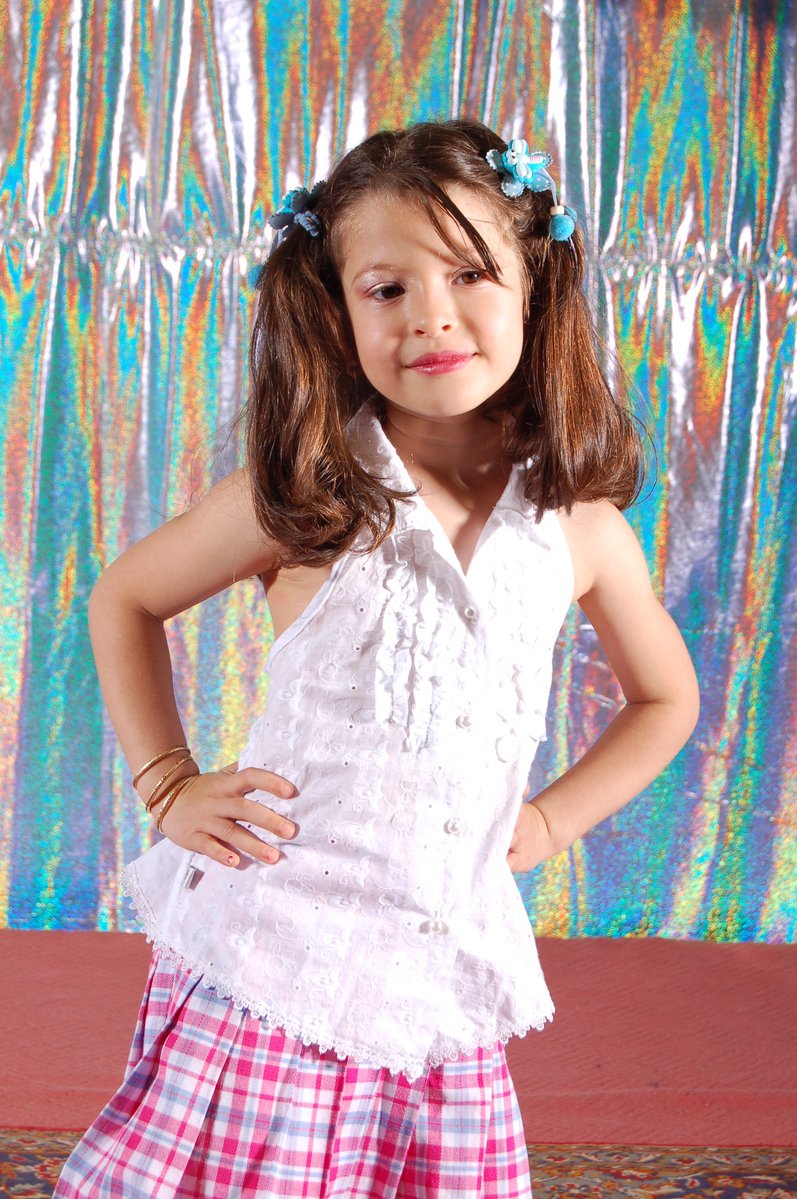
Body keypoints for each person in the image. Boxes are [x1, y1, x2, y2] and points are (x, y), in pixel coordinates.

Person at [54, 120, 699, 1198]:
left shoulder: (577, 524)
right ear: (336, 307)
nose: (431, 315)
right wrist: (168, 783)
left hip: (439, 974)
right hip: (276, 958)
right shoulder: (305, 492)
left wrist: (542, 822)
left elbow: (664, 696)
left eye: (467, 274)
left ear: (534, 286)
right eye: (385, 288)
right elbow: (125, 595)